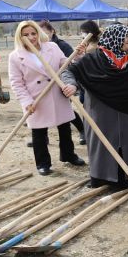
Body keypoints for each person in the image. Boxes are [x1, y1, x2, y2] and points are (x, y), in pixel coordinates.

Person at [61, 23, 128, 193]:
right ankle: (102, 179)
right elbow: (68, 72)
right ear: (114, 39)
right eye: (126, 37)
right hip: (101, 112)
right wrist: (72, 85)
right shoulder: (92, 59)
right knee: (103, 145)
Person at [8, 20, 85, 176]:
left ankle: (68, 155)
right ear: (20, 36)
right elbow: (16, 83)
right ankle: (43, 163)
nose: (31, 37)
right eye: (26, 35)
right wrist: (26, 101)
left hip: (56, 93)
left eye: (33, 33)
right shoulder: (15, 56)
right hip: (36, 98)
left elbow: (65, 64)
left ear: (38, 33)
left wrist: (76, 56)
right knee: (39, 132)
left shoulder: (52, 47)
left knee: (64, 127)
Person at [39, 20, 86, 145]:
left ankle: (83, 130)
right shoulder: (36, 47)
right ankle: (42, 138)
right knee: (43, 111)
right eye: (39, 33)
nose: (42, 36)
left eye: (45, 33)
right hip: (44, 86)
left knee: (66, 112)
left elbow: (70, 62)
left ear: (52, 31)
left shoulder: (61, 45)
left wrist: (77, 56)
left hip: (62, 83)